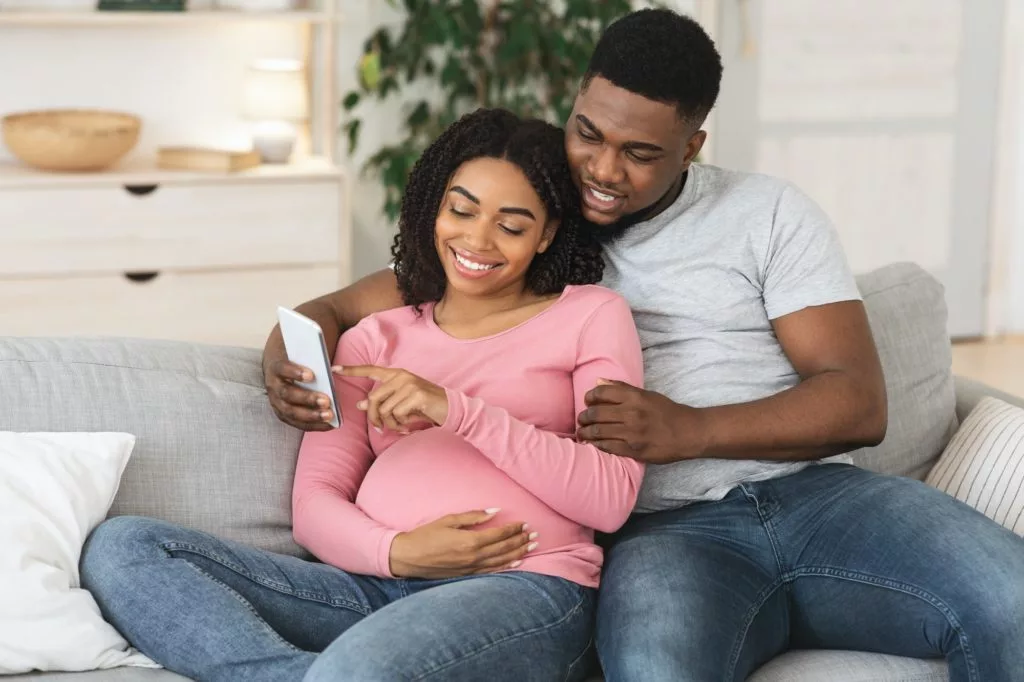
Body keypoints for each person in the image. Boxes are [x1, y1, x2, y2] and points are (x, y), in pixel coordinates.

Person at [263, 8, 1024, 682]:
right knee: (656, 668)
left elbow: (857, 401)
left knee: (1012, 600)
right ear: (574, 106)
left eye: (640, 153)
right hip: (666, 534)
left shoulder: (767, 213)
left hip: (821, 497)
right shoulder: (533, 222)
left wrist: (690, 429)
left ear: (690, 145)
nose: (601, 169)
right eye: (588, 133)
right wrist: (287, 342)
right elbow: (364, 297)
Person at [81, 108, 646, 682]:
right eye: (462, 209)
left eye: (512, 224)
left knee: (358, 669)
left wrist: (452, 408)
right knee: (124, 548)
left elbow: (610, 497)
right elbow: (316, 504)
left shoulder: (589, 316)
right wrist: (397, 552)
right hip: (369, 587)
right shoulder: (376, 336)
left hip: (523, 587)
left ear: (546, 233)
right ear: (436, 208)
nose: (477, 239)